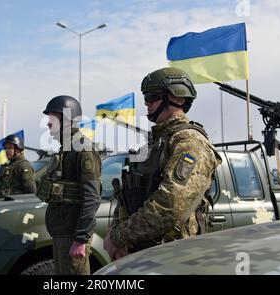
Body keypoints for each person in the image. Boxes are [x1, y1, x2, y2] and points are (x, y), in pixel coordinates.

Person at [104, 67, 222, 260]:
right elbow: (128, 195)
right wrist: (120, 235)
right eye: (146, 98)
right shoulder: (155, 143)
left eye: (152, 97)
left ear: (179, 98)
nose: (147, 104)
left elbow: (171, 204)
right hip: (144, 252)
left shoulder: (189, 142)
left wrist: (119, 237)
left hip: (174, 255)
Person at [37, 95, 101, 275]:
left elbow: (92, 197)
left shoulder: (83, 149)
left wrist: (81, 239)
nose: (48, 125)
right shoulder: (66, 149)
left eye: (52, 119)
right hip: (62, 231)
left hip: (72, 235)